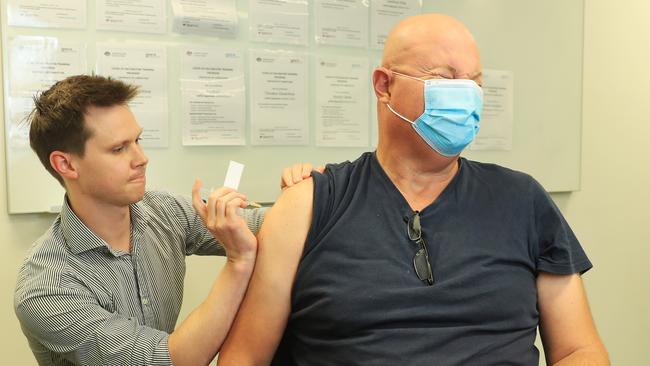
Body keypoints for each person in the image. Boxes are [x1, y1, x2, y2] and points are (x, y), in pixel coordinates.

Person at [217, 13, 609, 366]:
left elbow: (580, 350)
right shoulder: (308, 205)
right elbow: (244, 357)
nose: (466, 94)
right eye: (443, 77)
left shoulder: (523, 201)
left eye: (474, 82)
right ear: (384, 86)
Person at [13, 74, 314, 366]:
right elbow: (173, 360)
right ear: (65, 164)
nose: (141, 158)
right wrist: (238, 262)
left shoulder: (163, 212)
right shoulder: (46, 288)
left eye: (138, 141)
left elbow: (275, 226)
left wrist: (306, 193)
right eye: (119, 149)